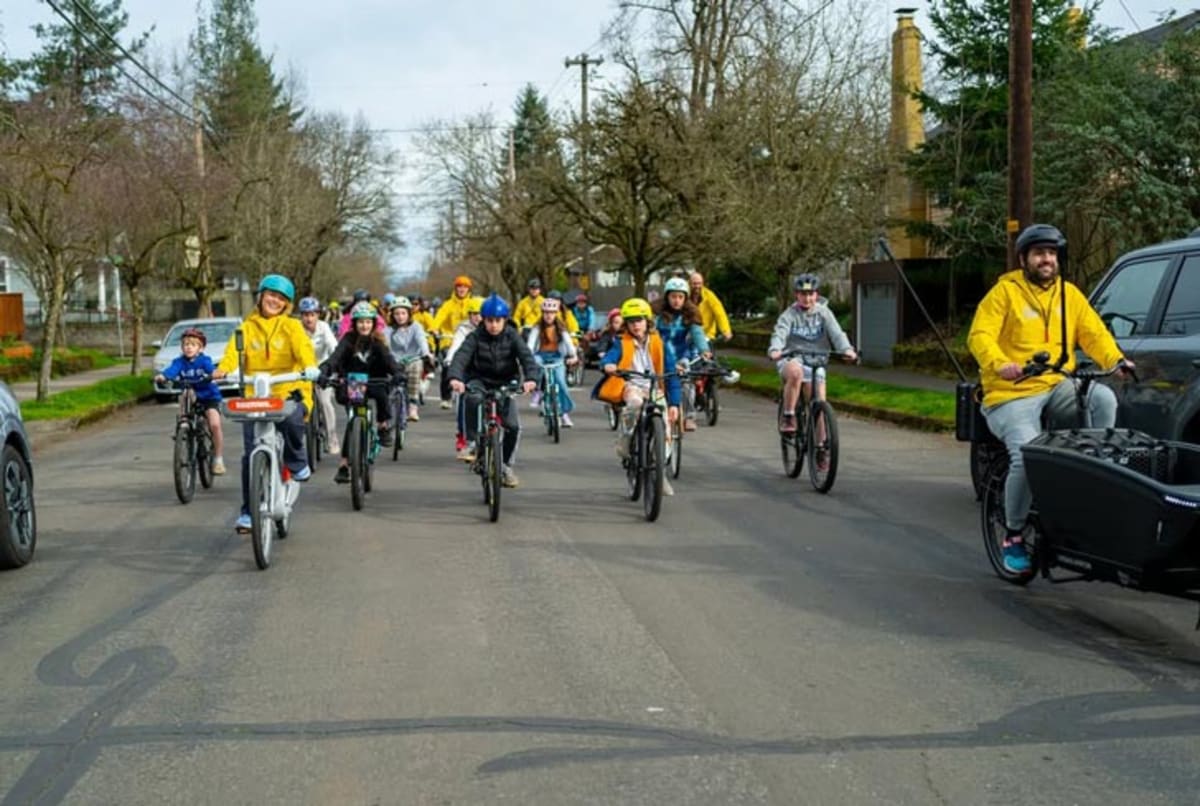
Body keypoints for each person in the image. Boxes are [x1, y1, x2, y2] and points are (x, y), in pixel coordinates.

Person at [968, 223, 1131, 574]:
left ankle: (1092, 477)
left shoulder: (1069, 294)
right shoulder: (1004, 294)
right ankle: (1012, 535)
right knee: (1026, 454)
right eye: (1040, 253)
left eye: (1053, 254)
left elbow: (1094, 333)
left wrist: (1115, 360)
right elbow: (979, 336)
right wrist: (1001, 364)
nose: (1047, 260)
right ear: (1024, 258)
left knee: (1102, 399)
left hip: (1056, 385)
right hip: (1010, 394)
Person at [213, 274, 320, 533]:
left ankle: (296, 461)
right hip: (256, 396)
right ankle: (249, 513)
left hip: (289, 389)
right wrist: (223, 369)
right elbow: (232, 355)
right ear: (261, 296)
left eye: (282, 299)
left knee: (294, 418)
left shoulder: (292, 327)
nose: (275, 301)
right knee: (251, 454)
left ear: (287, 305)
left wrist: (309, 367)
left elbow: (304, 351)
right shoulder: (245, 328)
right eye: (271, 295)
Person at [447, 293, 540, 488]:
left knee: (513, 427)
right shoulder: (475, 337)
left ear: (505, 320)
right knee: (471, 398)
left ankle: (505, 465)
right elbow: (461, 358)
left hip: (506, 382)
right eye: (489, 321)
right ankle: (472, 441)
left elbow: (527, 358)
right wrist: (455, 377)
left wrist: (531, 379)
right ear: (483, 320)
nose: (493, 325)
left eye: (498, 321)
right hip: (479, 379)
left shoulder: (513, 336)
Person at [595, 297, 682, 495]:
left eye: (640, 320)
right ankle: (625, 443)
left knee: (666, 423)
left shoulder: (659, 343)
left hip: (654, 387)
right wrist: (608, 365)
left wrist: (675, 403)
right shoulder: (621, 342)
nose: (636, 325)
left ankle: (659, 472)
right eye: (632, 321)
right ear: (626, 324)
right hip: (632, 385)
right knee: (634, 404)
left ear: (647, 321)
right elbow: (610, 358)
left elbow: (671, 373)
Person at [767, 273, 857, 448]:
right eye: (803, 294)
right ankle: (789, 416)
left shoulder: (824, 313)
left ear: (816, 294)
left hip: (816, 361)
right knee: (795, 372)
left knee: (819, 401)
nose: (807, 298)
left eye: (811, 294)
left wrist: (847, 349)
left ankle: (821, 446)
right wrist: (775, 349)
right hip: (792, 358)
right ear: (797, 295)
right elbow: (780, 332)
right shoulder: (790, 314)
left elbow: (837, 333)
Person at [320, 301, 403, 483]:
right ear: (354, 323)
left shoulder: (378, 341)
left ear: (373, 323)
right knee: (353, 421)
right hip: (354, 382)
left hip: (375, 381)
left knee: (382, 395)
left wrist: (397, 373)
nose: (364, 325)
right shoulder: (348, 339)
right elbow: (335, 357)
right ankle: (343, 464)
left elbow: (390, 361)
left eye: (368, 322)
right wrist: (325, 370)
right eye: (360, 322)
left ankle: (382, 426)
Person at [154, 326, 226, 476]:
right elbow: (172, 370)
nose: (189, 348)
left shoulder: (204, 360)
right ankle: (184, 420)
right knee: (186, 392)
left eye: (193, 345)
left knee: (215, 424)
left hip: (208, 397)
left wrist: (215, 374)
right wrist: (163, 376)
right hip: (191, 395)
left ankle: (218, 459)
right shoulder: (179, 362)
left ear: (200, 348)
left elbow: (211, 370)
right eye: (186, 344)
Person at [654, 277, 711, 432]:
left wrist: (704, 350)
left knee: (686, 383)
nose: (677, 301)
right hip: (660, 357)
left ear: (685, 298)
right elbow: (651, 332)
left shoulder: (690, 315)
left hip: (681, 356)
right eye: (673, 296)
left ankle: (689, 416)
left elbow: (697, 333)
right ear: (667, 297)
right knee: (655, 384)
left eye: (680, 297)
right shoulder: (657, 314)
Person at [525, 297, 580, 427]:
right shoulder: (537, 328)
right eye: (546, 312)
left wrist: (573, 356)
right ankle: (538, 391)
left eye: (552, 313)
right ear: (542, 313)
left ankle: (564, 413)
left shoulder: (561, 329)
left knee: (560, 382)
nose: (549, 316)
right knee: (536, 366)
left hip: (557, 357)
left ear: (556, 314)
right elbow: (530, 344)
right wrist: (528, 357)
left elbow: (569, 343)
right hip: (541, 355)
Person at [298, 296, 340, 455]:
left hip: (323, 370)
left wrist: (333, 367)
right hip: (301, 373)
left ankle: (332, 439)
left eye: (312, 314)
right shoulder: (297, 329)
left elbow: (333, 347)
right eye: (305, 315)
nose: (309, 318)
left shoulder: (324, 328)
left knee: (324, 402)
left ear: (318, 315)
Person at [445, 296, 485, 458]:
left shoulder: (493, 327)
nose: (477, 317)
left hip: (489, 371)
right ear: (469, 315)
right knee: (464, 399)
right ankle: (464, 436)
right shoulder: (464, 329)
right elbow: (456, 346)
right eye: (473, 314)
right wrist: (450, 360)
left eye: (480, 313)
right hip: (469, 371)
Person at [431, 275, 476, 409]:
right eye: (459, 286)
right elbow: (439, 317)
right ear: (455, 288)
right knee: (447, 366)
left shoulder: (472, 304)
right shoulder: (448, 304)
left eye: (465, 287)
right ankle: (446, 397)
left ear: (469, 289)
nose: (462, 289)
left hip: (469, 340)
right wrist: (434, 328)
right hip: (449, 340)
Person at [384, 296, 432, 422]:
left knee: (416, 367)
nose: (400, 317)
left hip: (412, 359)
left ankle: (412, 406)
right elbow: (385, 344)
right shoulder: (389, 329)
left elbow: (422, 340)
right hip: (395, 361)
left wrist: (426, 354)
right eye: (397, 314)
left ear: (409, 314)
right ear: (392, 315)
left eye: (403, 313)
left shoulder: (416, 327)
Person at [688, 271, 733, 342]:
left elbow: (720, 313)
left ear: (703, 283)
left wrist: (726, 330)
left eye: (699, 283)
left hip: (706, 335)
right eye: (694, 283)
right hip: (688, 335)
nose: (697, 286)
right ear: (689, 283)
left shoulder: (709, 296)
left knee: (706, 351)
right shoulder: (685, 295)